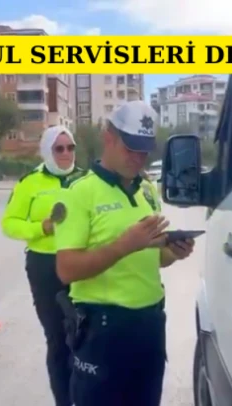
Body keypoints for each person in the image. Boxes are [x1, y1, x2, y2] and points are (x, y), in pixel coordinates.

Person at [53, 101, 195, 406]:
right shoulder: (79, 193)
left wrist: (173, 253)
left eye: (144, 150)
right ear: (109, 137)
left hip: (149, 325)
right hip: (103, 331)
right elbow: (66, 269)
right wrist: (123, 245)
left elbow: (151, 259)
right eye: (131, 148)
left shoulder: (147, 191)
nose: (138, 158)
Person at [0, 125, 86, 406]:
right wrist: (42, 227)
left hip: (83, 263)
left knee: (87, 338)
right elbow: (9, 223)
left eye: (70, 147)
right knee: (58, 339)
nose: (66, 153)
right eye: (59, 148)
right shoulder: (30, 183)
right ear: (47, 151)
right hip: (45, 267)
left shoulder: (86, 179)